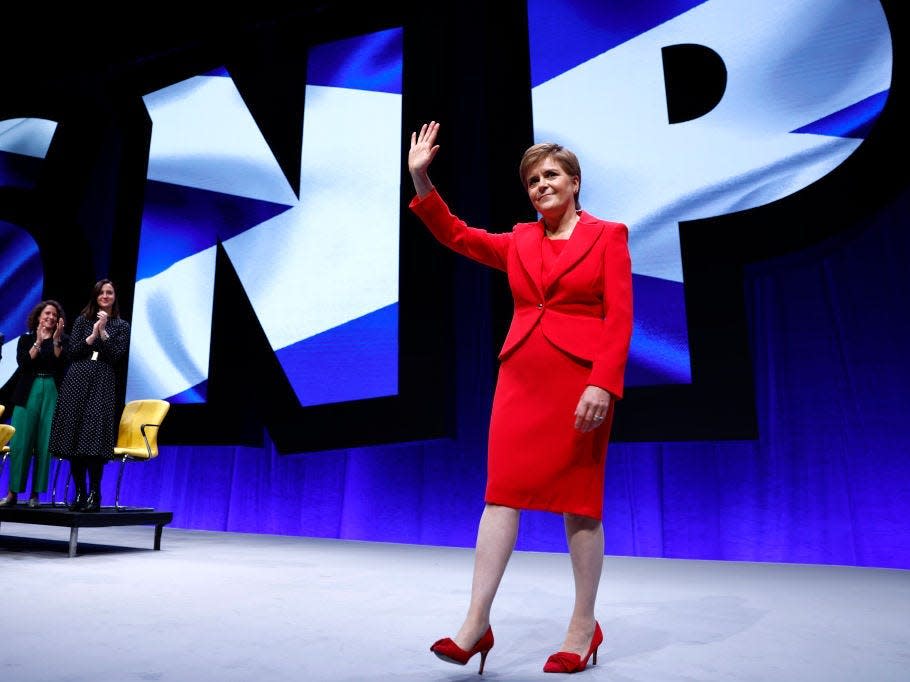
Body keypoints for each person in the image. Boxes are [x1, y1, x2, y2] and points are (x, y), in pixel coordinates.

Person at [408, 121, 633, 675]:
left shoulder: (609, 236)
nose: (541, 185)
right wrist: (421, 180)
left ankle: (583, 626)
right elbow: (458, 236)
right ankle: (475, 624)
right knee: (500, 496)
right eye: (533, 180)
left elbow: (620, 318)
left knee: (579, 503)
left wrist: (602, 381)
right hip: (521, 381)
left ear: (575, 182)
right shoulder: (520, 240)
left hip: (580, 383)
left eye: (551, 175)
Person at [48, 279, 131, 513]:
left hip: (102, 378)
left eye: (109, 292)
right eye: (101, 292)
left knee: (93, 438)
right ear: (95, 296)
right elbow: (72, 352)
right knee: (74, 437)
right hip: (77, 377)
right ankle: (81, 493)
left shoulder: (121, 326)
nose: (105, 296)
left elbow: (115, 355)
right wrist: (92, 335)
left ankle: (95, 492)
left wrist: (103, 331)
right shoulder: (82, 321)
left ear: (114, 297)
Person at [0, 301, 67, 508]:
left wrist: (55, 342)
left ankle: (35, 495)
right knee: (20, 444)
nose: (50, 317)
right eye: (47, 313)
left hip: (51, 391)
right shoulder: (26, 339)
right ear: (39, 316)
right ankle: (12, 493)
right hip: (27, 391)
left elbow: (59, 365)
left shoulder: (62, 340)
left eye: (54, 315)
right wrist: (37, 342)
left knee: (44, 444)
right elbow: (24, 364)